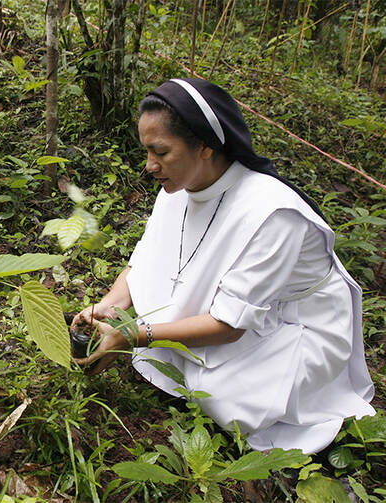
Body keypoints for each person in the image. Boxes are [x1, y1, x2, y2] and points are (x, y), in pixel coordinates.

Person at [72, 78, 375, 454]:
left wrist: (134, 335)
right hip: (240, 311)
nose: (150, 166)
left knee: (220, 397)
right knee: (179, 357)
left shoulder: (274, 215)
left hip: (296, 327)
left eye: (160, 152)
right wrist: (107, 308)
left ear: (205, 146)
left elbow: (230, 326)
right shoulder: (179, 187)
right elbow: (145, 263)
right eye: (146, 151)